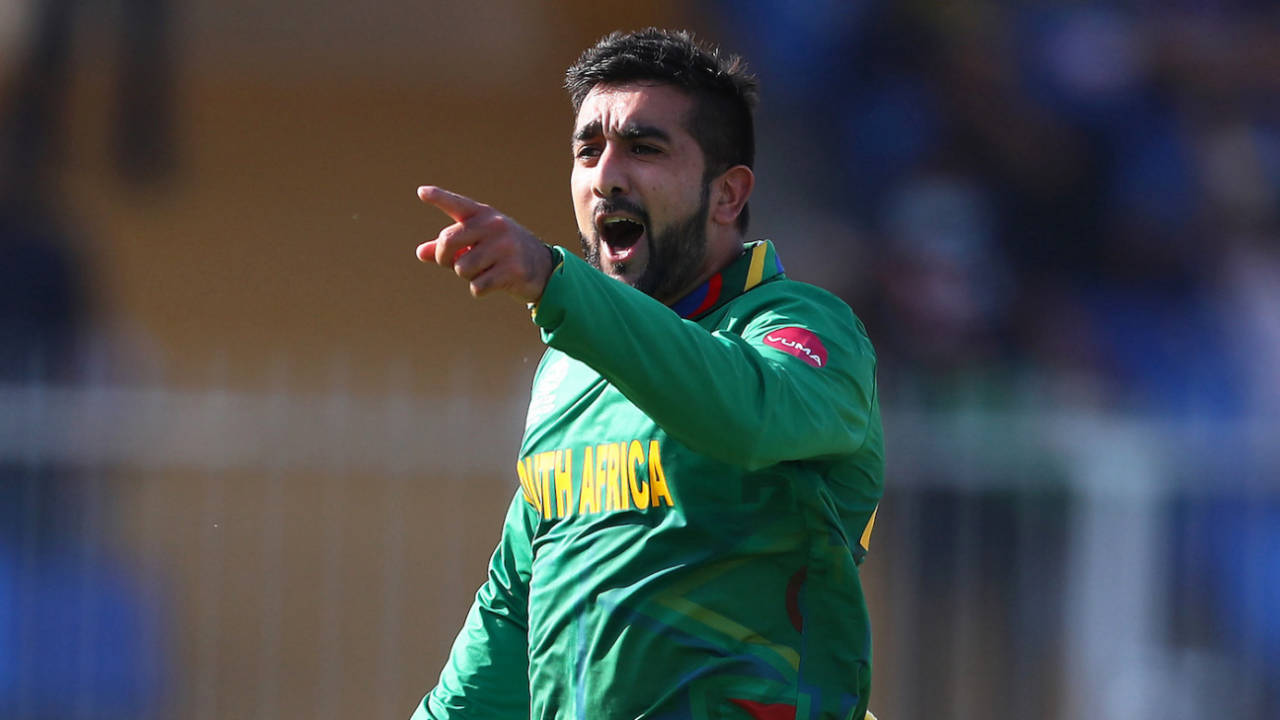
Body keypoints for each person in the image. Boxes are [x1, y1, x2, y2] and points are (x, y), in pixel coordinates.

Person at [410, 28, 884, 720]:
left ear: (727, 195)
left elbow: (750, 416)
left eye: (643, 147)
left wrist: (553, 280)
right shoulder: (568, 372)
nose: (606, 174)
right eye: (587, 150)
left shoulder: (807, 328)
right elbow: (513, 614)